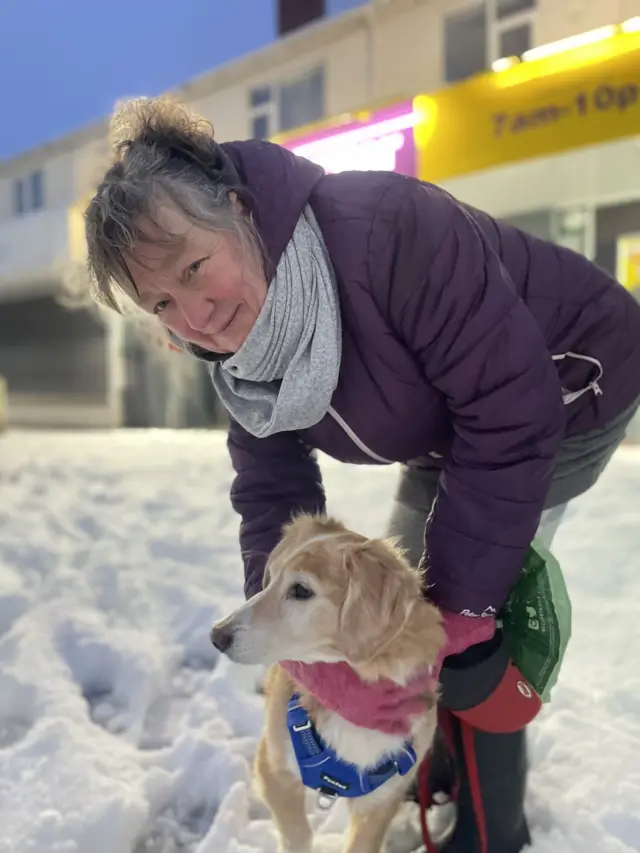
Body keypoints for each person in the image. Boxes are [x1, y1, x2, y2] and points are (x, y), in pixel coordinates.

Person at [84, 96, 640, 853]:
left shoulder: (389, 232)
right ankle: (427, 764)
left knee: (464, 612)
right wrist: (297, 648)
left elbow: (511, 412)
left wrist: (458, 617)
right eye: (162, 302)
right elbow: (272, 494)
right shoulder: (241, 357)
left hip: (565, 387)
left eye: (194, 267)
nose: (198, 317)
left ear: (239, 210)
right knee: (400, 605)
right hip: (449, 421)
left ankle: (491, 829)